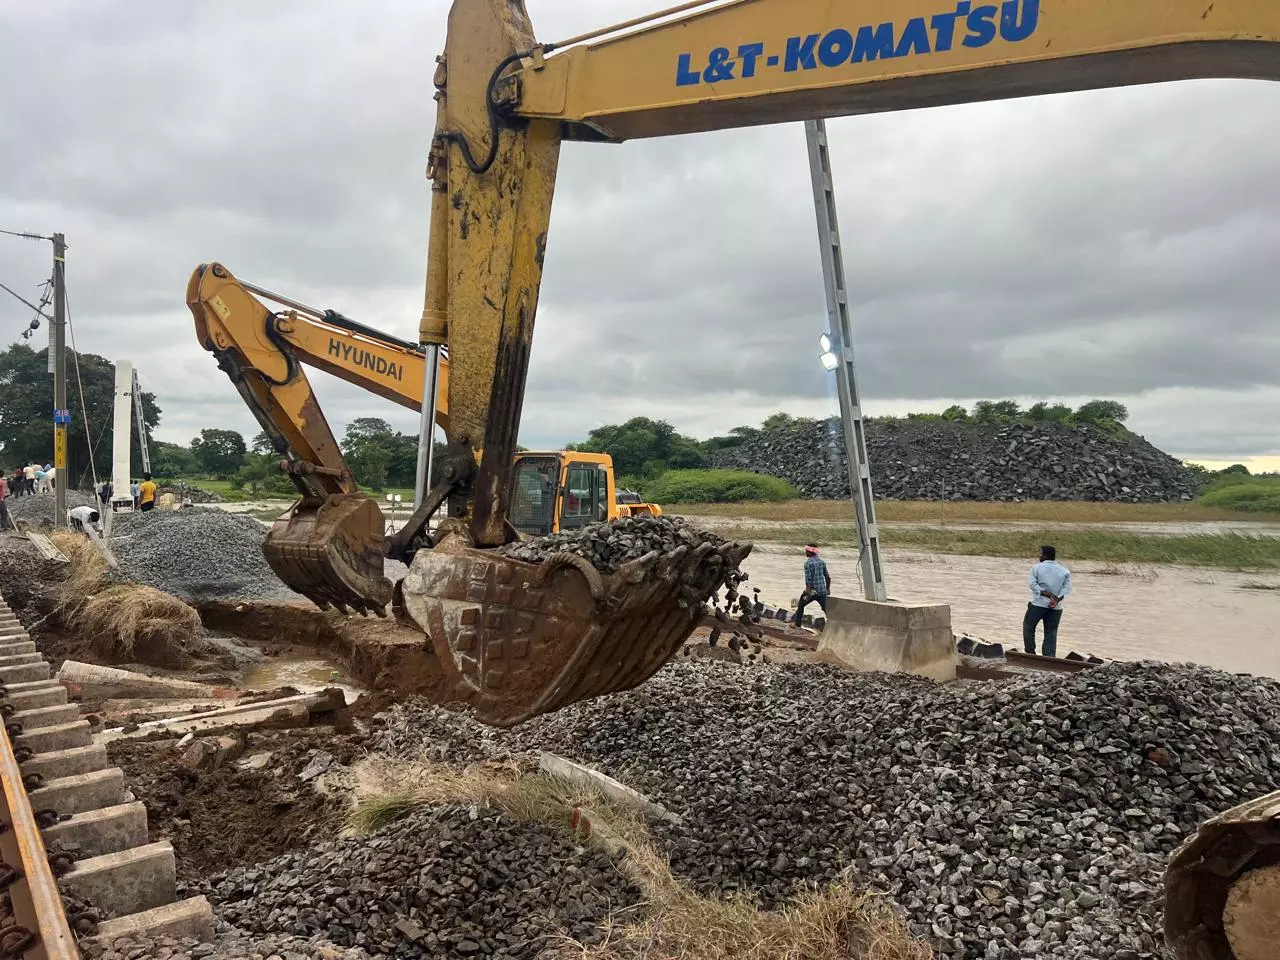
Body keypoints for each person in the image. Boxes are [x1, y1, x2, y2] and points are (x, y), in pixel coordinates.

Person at [1024, 544, 1072, 658]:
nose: (1039, 556)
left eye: (1040, 553)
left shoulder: (1036, 568)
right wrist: (1056, 599)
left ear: (1045, 556)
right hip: (1056, 607)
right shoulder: (1064, 571)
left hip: (1038, 604)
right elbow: (1067, 589)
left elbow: (1033, 585)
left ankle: (1030, 654)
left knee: (1028, 628)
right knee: (1051, 632)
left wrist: (1048, 594)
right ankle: (1049, 657)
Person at [793, 544, 831, 626]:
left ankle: (797, 625)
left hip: (812, 591)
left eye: (806, 551)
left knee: (801, 605)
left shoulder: (808, 563)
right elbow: (827, 577)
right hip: (822, 591)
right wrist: (828, 589)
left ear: (810, 552)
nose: (805, 552)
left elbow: (808, 580)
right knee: (826, 610)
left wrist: (807, 592)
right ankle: (832, 624)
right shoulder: (822, 562)